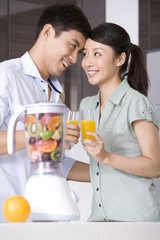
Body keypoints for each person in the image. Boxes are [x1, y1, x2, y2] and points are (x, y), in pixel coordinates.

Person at [0, 3, 91, 222]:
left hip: (50, 220)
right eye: (72, 45)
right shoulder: (6, 76)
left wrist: (110, 171)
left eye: (80, 52)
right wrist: (44, 132)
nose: (74, 58)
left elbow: (58, 162)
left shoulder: (58, 95)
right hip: (11, 220)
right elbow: (42, 137)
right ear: (48, 32)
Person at [80, 22, 160, 222]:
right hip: (99, 219)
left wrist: (106, 156)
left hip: (136, 220)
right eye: (85, 54)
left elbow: (155, 167)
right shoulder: (86, 105)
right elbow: (95, 166)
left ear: (120, 59)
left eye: (97, 54)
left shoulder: (136, 103)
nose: (88, 62)